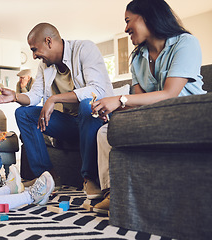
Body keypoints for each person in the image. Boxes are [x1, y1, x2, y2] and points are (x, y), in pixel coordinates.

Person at [91, 0, 206, 214]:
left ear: (147, 16)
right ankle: (114, 193)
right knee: (105, 131)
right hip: (153, 119)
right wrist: (113, 109)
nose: (125, 29)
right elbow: (139, 103)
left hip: (188, 114)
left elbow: (170, 93)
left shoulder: (185, 43)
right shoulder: (137, 59)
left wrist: (120, 99)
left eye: (128, 21)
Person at [0, 23, 114, 198]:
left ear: (49, 41)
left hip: (94, 120)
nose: (34, 56)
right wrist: (14, 96)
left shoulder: (84, 49)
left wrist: (54, 98)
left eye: (35, 50)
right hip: (71, 124)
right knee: (23, 114)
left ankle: (90, 179)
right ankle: (47, 176)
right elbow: (34, 96)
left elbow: (97, 90)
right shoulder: (46, 66)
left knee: (87, 104)